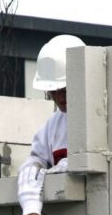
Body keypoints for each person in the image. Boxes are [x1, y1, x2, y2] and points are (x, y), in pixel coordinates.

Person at [22, 34, 85, 175]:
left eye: (64, 89)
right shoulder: (52, 126)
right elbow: (37, 156)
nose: (59, 97)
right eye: (53, 91)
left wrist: (71, 164)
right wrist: (32, 167)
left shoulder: (100, 116)